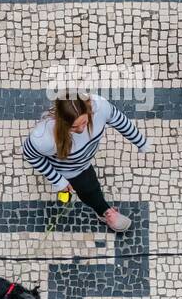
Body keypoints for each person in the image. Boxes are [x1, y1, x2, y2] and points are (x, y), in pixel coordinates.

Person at [22, 94, 148, 233]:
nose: (81, 129)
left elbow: (120, 120)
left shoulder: (100, 107)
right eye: (74, 127)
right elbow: (31, 155)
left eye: (84, 122)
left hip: (85, 157)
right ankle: (104, 211)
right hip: (69, 168)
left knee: (88, 185)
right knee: (89, 188)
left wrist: (141, 143)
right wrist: (58, 180)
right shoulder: (43, 137)